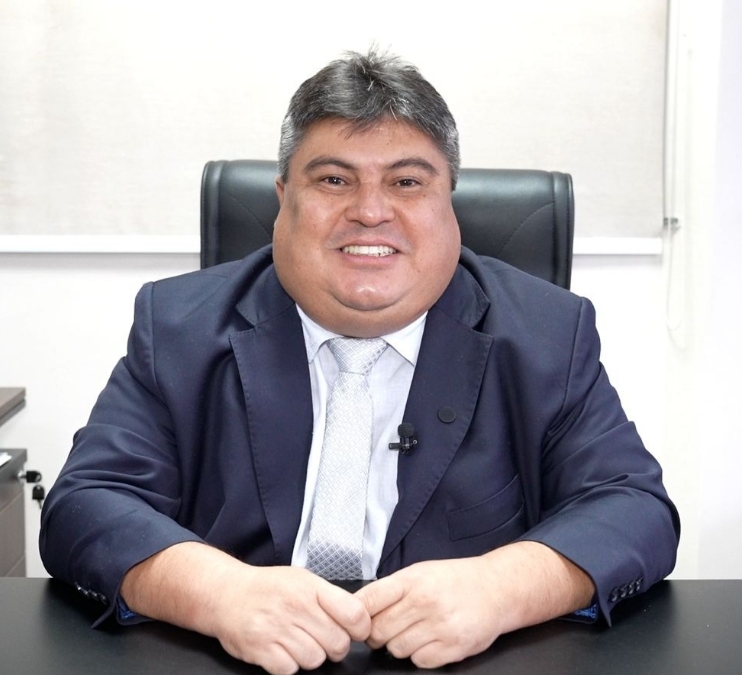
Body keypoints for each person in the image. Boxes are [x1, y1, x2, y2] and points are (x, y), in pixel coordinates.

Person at [40, 49, 679, 675]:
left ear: (449, 200)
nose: (370, 212)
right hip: (243, 657)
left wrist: (501, 587)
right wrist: (220, 593)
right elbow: (86, 504)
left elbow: (633, 507)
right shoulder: (178, 326)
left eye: (407, 182)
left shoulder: (548, 335)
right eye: (334, 180)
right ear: (284, 197)